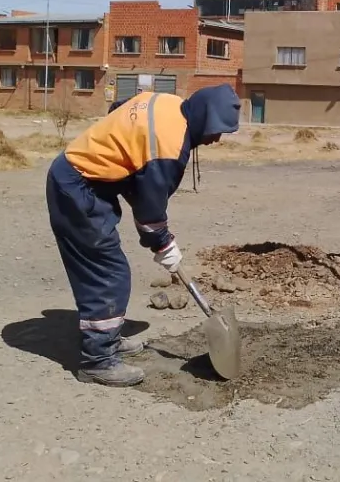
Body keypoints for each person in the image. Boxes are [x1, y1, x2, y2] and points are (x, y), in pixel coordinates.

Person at [45, 84, 241, 387]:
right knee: (107, 272)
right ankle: (97, 360)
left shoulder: (167, 103)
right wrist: (164, 244)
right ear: (203, 118)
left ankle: (107, 339)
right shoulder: (169, 148)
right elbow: (150, 214)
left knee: (108, 268)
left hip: (85, 180)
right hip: (78, 187)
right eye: (215, 131)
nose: (215, 139)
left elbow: (118, 109)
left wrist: (126, 165)